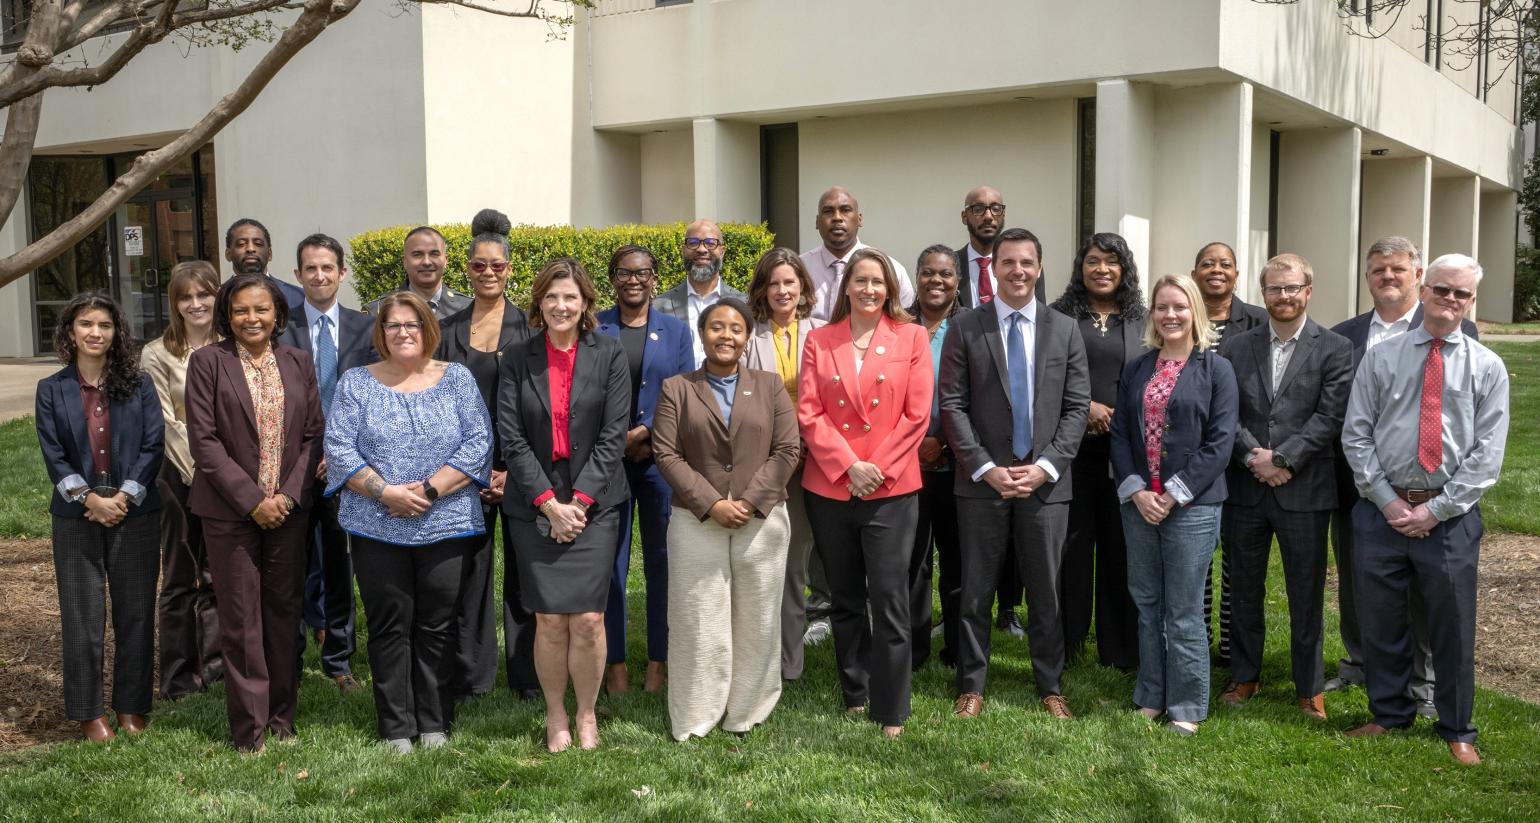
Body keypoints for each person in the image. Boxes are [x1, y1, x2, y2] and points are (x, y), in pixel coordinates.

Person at [1342, 254, 1508, 766]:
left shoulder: (1487, 366)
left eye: (1461, 293)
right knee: (1381, 621)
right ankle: (1389, 713)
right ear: (1424, 287)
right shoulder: (1381, 356)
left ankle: (1457, 727)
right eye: (1442, 289)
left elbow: (1487, 454)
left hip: (1451, 519)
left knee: (1452, 626)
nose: (1450, 299)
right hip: (1382, 512)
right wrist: (1388, 501)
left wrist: (1437, 510)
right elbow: (1356, 434)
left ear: (1471, 301)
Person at [325, 291, 492, 753]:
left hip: (446, 520)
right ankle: (396, 727)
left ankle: (434, 722)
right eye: (393, 325)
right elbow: (339, 447)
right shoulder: (356, 383)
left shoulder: (456, 378)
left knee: (437, 624)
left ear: (428, 329)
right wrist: (386, 493)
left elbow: (478, 441)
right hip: (376, 521)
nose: (403, 333)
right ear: (381, 332)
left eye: (411, 324)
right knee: (388, 626)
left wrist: (429, 491)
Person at [940, 228, 1090, 720]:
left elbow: (1077, 407)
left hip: (1046, 486)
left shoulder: (1064, 329)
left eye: (1027, 262)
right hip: (982, 484)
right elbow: (952, 405)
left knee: (1046, 591)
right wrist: (985, 467)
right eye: (1008, 262)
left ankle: (1050, 684)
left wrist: (1045, 468)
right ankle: (971, 685)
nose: (1018, 271)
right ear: (993, 268)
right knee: (976, 589)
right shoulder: (966, 326)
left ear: (1039, 268)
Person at [1325, 236, 1480, 711]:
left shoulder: (1455, 327)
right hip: (1360, 484)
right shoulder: (1345, 335)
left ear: (1418, 277)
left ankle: (1422, 677)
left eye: (1397, 269)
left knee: (1424, 589)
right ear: (1367, 278)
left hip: (1432, 488)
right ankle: (1360, 662)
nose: (1387, 276)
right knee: (1358, 582)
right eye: (1378, 270)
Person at [186, 273, 324, 753]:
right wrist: (252, 501)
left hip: (288, 511)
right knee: (242, 618)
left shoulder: (297, 361)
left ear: (277, 313)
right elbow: (204, 442)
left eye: (261, 309)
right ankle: (250, 731)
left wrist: (286, 497)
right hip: (229, 514)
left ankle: (282, 718)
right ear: (227, 315)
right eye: (241, 310)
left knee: (284, 613)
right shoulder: (208, 362)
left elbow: (313, 435)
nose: (252, 318)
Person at [798, 247, 933, 738]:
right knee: (846, 597)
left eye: (878, 281)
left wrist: (875, 469)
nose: (869, 289)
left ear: (890, 289)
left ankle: (891, 707)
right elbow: (809, 412)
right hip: (832, 487)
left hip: (890, 488)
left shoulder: (911, 336)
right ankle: (855, 692)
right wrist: (848, 466)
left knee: (891, 598)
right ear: (846, 287)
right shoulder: (819, 340)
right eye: (861, 281)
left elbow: (917, 415)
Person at [651, 298, 801, 739]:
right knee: (698, 618)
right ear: (702, 335)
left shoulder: (770, 386)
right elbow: (665, 453)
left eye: (736, 328)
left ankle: (746, 711)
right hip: (697, 519)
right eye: (716, 327)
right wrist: (712, 503)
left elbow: (787, 449)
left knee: (757, 617)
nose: (726, 335)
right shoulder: (677, 388)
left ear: (747, 337)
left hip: (762, 518)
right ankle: (696, 714)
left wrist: (751, 500)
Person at [498, 258, 631, 753]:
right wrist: (549, 505)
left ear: (585, 302)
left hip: (596, 501)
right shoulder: (517, 357)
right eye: (552, 297)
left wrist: (578, 502)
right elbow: (511, 437)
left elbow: (614, 435)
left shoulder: (610, 354)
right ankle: (556, 715)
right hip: (534, 500)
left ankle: (587, 713)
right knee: (551, 619)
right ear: (539, 303)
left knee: (589, 619)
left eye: (570, 297)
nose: (561, 305)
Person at [1216, 254, 1353, 720]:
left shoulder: (1334, 348)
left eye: (1292, 287)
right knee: (1243, 589)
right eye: (1274, 288)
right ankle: (1244, 675)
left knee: (1306, 593)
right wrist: (1253, 458)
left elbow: (1330, 417)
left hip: (1306, 490)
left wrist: (1282, 459)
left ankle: (1309, 687)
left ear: (1307, 291)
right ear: (1263, 293)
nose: (1283, 296)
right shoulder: (1237, 347)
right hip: (1246, 488)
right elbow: (1225, 412)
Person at [1109, 272, 1237, 737]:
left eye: (1180, 307)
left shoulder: (1216, 370)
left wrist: (1173, 493)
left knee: (1183, 609)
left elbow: (1220, 443)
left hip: (1192, 507)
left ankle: (1186, 705)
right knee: (1147, 603)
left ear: (1195, 312)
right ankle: (1151, 695)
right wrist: (1137, 490)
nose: (1170, 315)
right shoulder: (1138, 368)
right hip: (1139, 503)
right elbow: (1121, 434)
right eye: (1162, 307)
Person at [36, 293, 165, 742]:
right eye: (86, 324)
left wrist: (123, 497)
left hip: (136, 512)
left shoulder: (139, 384)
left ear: (116, 332)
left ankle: (131, 706)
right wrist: (89, 499)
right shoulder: (51, 389)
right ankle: (89, 713)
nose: (95, 332)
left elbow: (153, 445)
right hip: (76, 519)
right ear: (70, 331)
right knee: (82, 617)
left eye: (105, 325)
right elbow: (53, 454)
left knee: (136, 613)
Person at [437, 209, 536, 702]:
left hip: (520, 469)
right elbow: (437, 405)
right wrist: (470, 471)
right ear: (468, 269)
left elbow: (537, 406)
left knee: (524, 572)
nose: (489, 273)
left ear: (510, 269)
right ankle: (471, 677)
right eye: (479, 265)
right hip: (463, 473)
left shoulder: (531, 329)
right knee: (469, 574)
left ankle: (527, 675)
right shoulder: (446, 330)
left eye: (497, 266)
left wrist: (510, 470)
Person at [275, 233, 376, 695]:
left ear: (342, 273)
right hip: (292, 469)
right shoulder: (280, 329)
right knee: (289, 569)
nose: (319, 276)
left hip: (345, 470)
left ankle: (339, 661)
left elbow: (373, 398)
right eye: (310, 269)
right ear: (298, 275)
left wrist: (339, 455)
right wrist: (307, 456)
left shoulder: (365, 328)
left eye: (327, 268)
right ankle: (289, 660)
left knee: (340, 568)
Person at [595, 244, 693, 694]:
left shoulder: (676, 332)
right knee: (610, 563)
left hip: (659, 460)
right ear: (612, 278)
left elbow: (684, 391)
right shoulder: (595, 327)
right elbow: (587, 390)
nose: (633, 280)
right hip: (607, 462)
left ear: (655, 279)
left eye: (642, 273)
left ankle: (660, 661)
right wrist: (619, 437)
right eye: (624, 272)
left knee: (662, 560)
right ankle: (614, 663)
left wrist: (647, 433)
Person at [1048, 232, 1147, 670]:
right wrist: (1083, 406)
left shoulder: (1142, 320)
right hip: (1069, 452)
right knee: (1070, 547)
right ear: (1080, 267)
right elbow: (1044, 376)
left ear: (1124, 269)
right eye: (1093, 260)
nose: (1102, 269)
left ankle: (1119, 648)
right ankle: (1066, 643)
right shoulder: (1057, 317)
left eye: (1111, 261)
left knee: (1119, 547)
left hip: (1124, 453)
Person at [741, 248, 828, 680]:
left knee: (795, 563)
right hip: (764, 465)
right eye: (773, 283)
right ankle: (757, 656)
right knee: (761, 563)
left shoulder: (824, 333)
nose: (781, 291)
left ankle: (789, 663)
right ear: (762, 289)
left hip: (815, 462)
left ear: (802, 287)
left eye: (789, 282)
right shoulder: (747, 336)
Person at [141, 261, 225, 700]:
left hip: (230, 478)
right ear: (174, 304)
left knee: (219, 574)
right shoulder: (157, 354)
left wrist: (226, 474)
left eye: (204, 294)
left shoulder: (232, 346)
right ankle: (178, 676)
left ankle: (217, 669)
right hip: (180, 476)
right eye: (185, 297)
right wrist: (203, 471)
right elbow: (165, 422)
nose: (196, 304)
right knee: (180, 575)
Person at [954, 188, 1028, 637]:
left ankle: (1009, 607)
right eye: (978, 208)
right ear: (965, 216)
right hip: (973, 412)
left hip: (1018, 426)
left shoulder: (1022, 270)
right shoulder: (950, 264)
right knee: (972, 539)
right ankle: (966, 614)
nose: (987, 214)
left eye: (996, 208)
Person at [1191, 241, 1261, 667]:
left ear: (1237, 273)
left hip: (1241, 459)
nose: (1216, 270)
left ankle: (1233, 649)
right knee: (1197, 560)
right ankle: (1197, 643)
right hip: (1190, 461)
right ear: (1194, 273)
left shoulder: (1257, 321)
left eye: (1225, 264)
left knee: (1238, 558)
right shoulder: (1181, 315)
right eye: (1207, 263)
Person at [906, 245, 963, 670]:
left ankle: (958, 649)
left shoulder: (971, 328)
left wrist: (942, 441)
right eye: (928, 272)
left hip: (959, 463)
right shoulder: (896, 326)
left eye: (945, 274)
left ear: (958, 281)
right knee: (913, 561)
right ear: (917, 277)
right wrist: (914, 444)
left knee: (959, 559)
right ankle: (913, 649)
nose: (936, 281)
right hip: (906, 463)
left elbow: (980, 395)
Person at [801, 187, 916, 320]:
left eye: (845, 210)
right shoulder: (799, 269)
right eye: (828, 211)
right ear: (817, 222)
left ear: (859, 219)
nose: (837, 217)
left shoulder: (892, 270)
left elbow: (903, 322)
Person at [652, 219, 747, 367]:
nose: (702, 249)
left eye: (710, 243)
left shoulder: (744, 304)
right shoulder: (658, 307)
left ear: (722, 251)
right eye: (693, 242)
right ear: (683, 250)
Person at [366, 226, 473, 320]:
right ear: (405, 262)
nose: (426, 262)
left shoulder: (469, 309)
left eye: (434, 254)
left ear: (445, 261)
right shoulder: (377, 311)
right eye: (417, 254)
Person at [225, 218, 303, 308]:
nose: (250, 249)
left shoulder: (297, 297)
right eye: (241, 244)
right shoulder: (217, 296)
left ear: (269, 254)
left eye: (258, 244)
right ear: (228, 254)